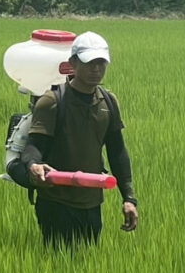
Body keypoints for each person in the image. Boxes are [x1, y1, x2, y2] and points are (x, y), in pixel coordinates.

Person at [20, 31, 139, 247]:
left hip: (92, 202)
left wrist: (129, 199)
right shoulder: (53, 102)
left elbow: (117, 152)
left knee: (87, 261)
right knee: (58, 260)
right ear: (73, 63)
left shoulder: (108, 102)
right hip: (56, 202)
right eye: (89, 63)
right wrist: (33, 164)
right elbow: (34, 146)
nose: (96, 69)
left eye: (101, 63)